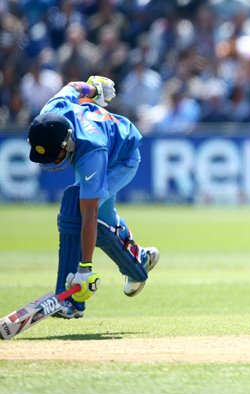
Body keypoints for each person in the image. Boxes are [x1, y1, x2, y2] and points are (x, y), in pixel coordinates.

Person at [26, 75, 160, 318]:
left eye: (55, 156)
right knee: (104, 217)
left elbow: (89, 214)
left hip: (121, 159)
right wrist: (94, 88)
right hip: (103, 142)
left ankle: (69, 302)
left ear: (66, 142)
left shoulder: (91, 154)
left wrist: (85, 268)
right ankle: (139, 260)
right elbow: (73, 87)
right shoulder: (51, 111)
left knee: (76, 210)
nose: (53, 163)